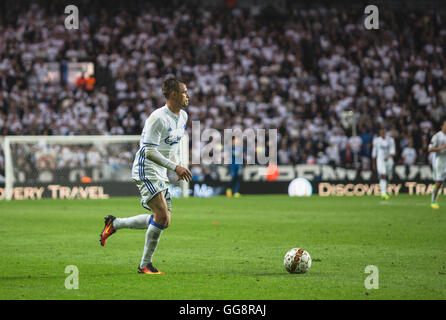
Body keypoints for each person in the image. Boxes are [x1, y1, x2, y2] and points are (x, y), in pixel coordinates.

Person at [99, 77, 192, 274]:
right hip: (146, 167)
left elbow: (173, 145)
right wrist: (175, 167)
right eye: (184, 92)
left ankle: (115, 223)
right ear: (173, 94)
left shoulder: (182, 116)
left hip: (160, 170)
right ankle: (145, 265)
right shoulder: (157, 118)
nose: (188, 95)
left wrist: (178, 165)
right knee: (161, 215)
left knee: (164, 220)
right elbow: (148, 151)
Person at [372, 128, 395, 200]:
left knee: (388, 176)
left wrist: (388, 157)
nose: (382, 133)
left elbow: (393, 151)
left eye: (383, 132)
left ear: (385, 133)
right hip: (380, 160)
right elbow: (374, 152)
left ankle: (388, 182)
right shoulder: (376, 141)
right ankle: (383, 193)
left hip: (389, 160)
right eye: (381, 132)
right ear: (379, 133)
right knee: (383, 175)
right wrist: (373, 163)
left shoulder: (391, 140)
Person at [427, 119, 446, 209]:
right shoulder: (437, 136)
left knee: (440, 182)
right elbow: (430, 149)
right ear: (442, 126)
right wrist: (441, 147)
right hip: (440, 161)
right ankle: (433, 201)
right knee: (439, 182)